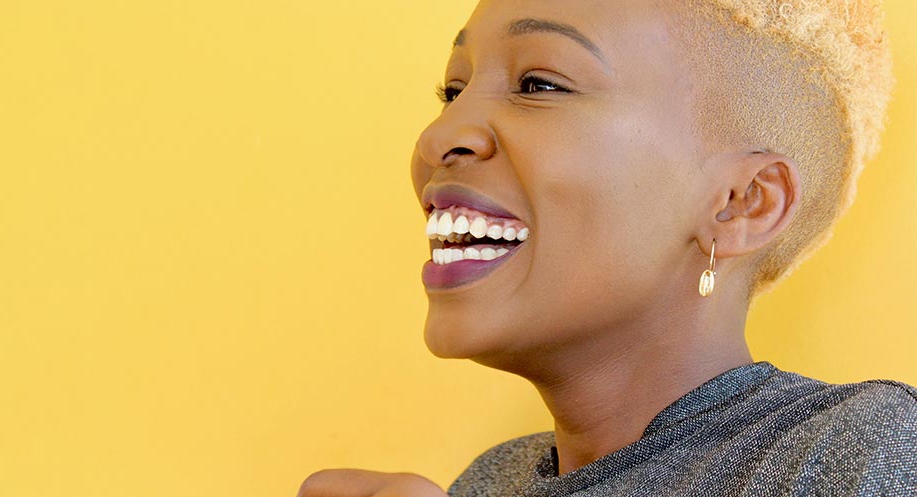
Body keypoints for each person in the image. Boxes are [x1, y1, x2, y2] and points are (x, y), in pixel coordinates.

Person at [298, 0, 915, 495]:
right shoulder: (491, 482)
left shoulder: (865, 449)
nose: (440, 135)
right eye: (451, 91)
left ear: (740, 203)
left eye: (538, 83)